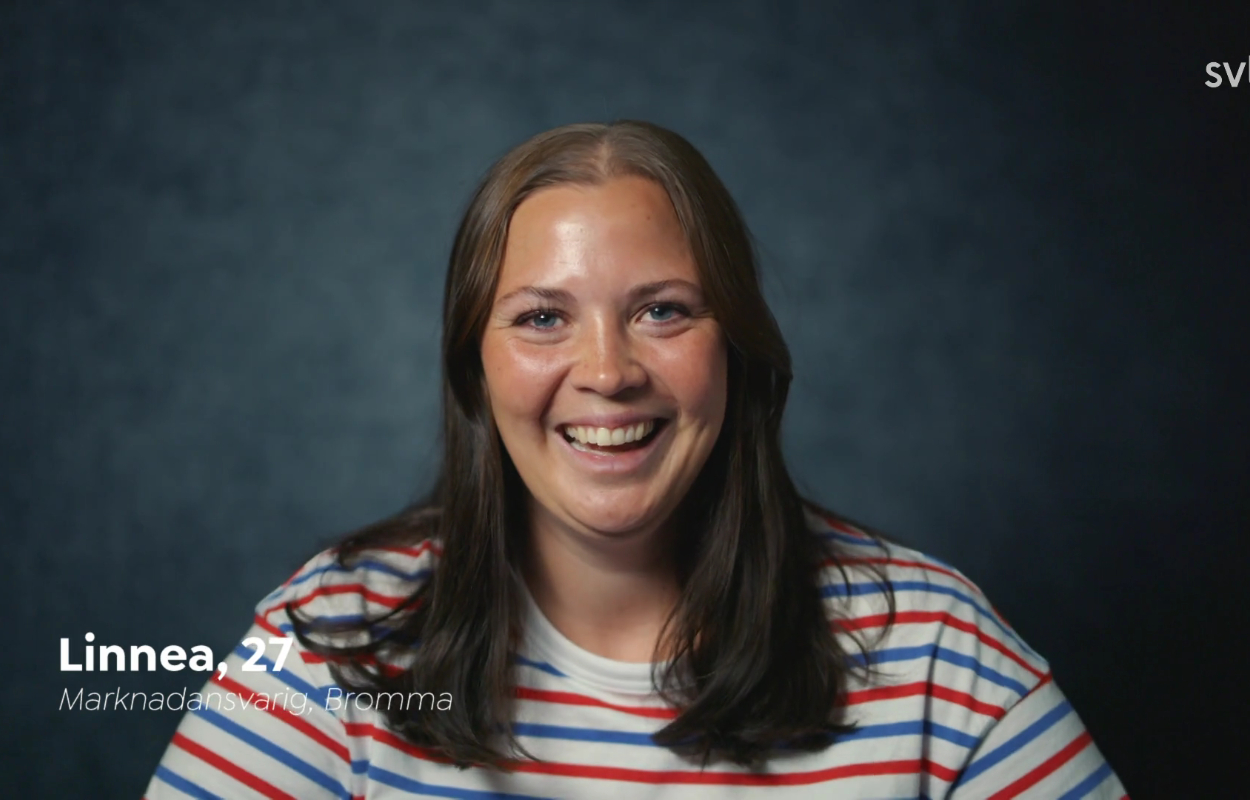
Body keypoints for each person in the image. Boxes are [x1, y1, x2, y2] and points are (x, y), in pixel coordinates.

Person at [145, 120, 1127, 799]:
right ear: (472, 365)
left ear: (733, 347)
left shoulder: (937, 652)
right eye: (541, 318)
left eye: (662, 310)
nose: (608, 372)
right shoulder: (333, 637)